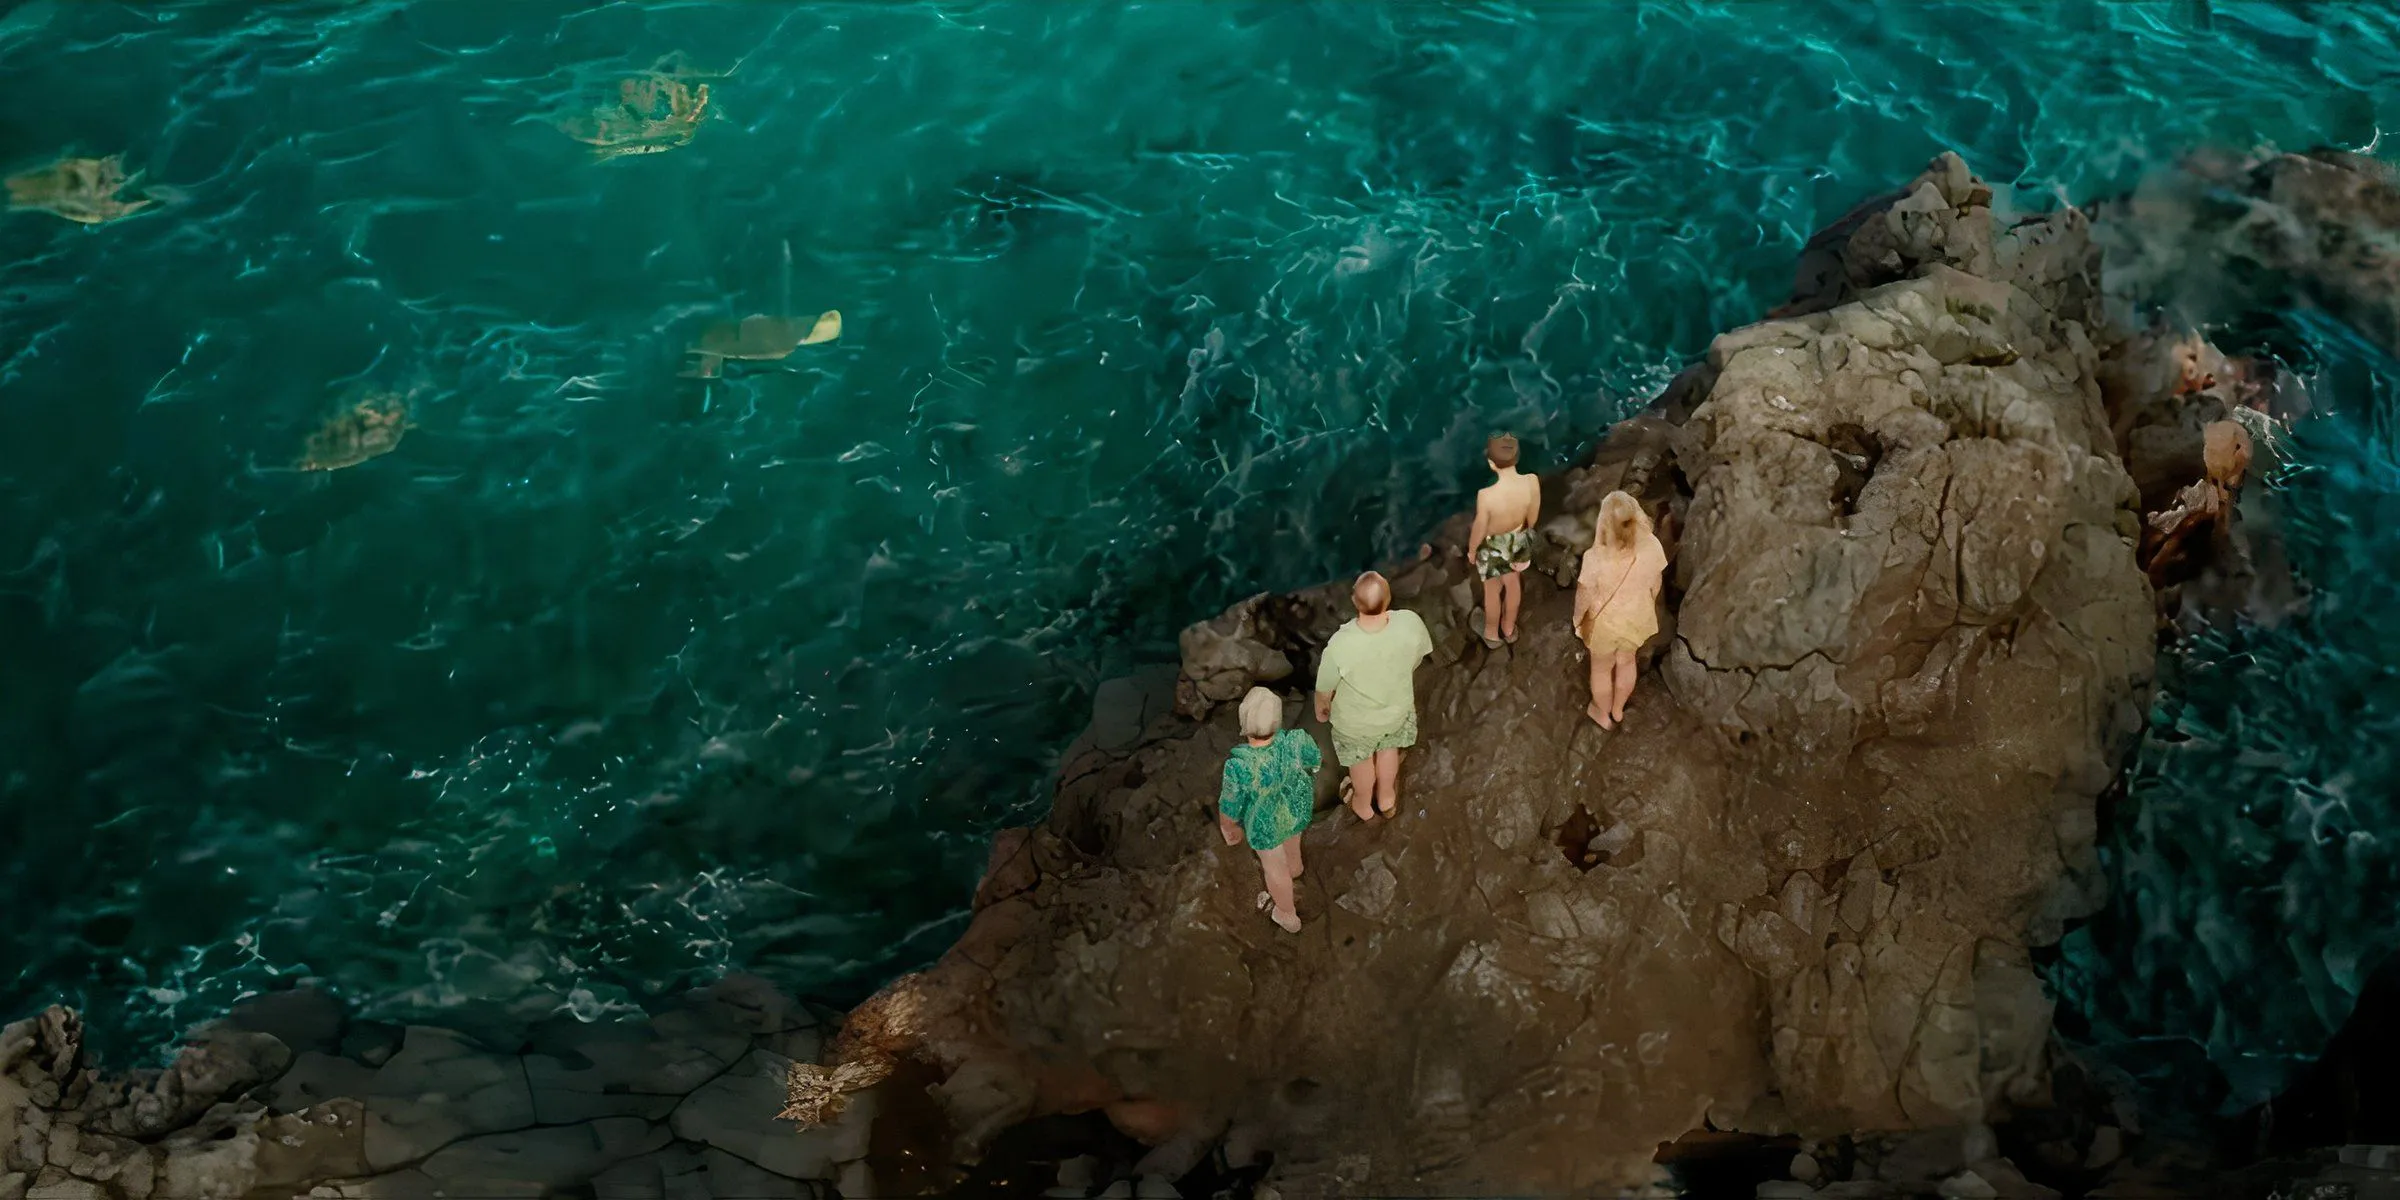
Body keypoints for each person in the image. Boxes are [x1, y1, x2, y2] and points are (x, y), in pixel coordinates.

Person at [1314, 571, 1434, 821]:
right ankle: (1387, 799)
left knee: (1361, 765)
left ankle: (1363, 806)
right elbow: (1419, 655)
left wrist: (1322, 708)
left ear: (1354, 602)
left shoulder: (1340, 644)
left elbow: (1324, 687)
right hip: (1395, 712)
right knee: (1388, 750)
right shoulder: (1409, 623)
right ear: (1388, 599)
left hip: (1354, 724)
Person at [1216, 687, 1321, 933]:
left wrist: (1228, 826)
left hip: (1267, 827)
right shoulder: (1296, 739)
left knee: (1274, 869)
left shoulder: (1239, 765)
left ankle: (1287, 914)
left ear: (1244, 721)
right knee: (1293, 839)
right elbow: (1313, 759)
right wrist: (1310, 770)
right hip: (1296, 809)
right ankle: (1296, 868)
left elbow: (1231, 803)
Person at [1573, 491, 1669, 729]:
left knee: (1602, 668)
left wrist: (1578, 620)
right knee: (1627, 661)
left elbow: (1584, 595)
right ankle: (1618, 709)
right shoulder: (1652, 546)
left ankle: (1601, 712)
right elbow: (1655, 584)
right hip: (1637, 617)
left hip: (1605, 623)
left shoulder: (1595, 558)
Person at [2141, 419, 2253, 590]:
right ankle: (2156, 570)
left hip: (2191, 512)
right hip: (2192, 514)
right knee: (2175, 536)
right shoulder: (2219, 482)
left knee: (2171, 535)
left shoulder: (2216, 479)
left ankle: (2155, 568)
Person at [1466, 433, 1541, 648]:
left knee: (1492, 590)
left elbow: (1480, 527)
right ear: (1517, 458)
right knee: (1513, 584)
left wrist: (1472, 551)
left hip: (1493, 545)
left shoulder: (1486, 495)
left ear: (1491, 463)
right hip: (1519, 537)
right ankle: (1509, 628)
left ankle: (1491, 633)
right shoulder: (1531, 481)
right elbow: (1533, 515)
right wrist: (1524, 533)